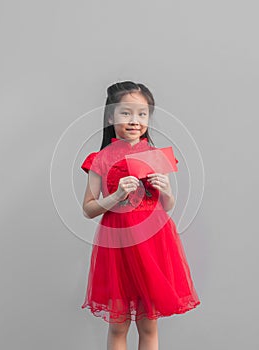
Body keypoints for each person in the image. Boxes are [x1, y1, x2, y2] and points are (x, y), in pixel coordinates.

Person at [80, 81, 200, 350]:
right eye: (126, 113)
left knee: (149, 323)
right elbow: (88, 208)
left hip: (154, 242)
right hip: (118, 246)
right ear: (111, 116)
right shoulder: (100, 158)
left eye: (142, 114)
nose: (135, 121)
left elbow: (166, 205)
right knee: (118, 324)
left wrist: (167, 190)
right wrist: (114, 197)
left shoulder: (156, 157)